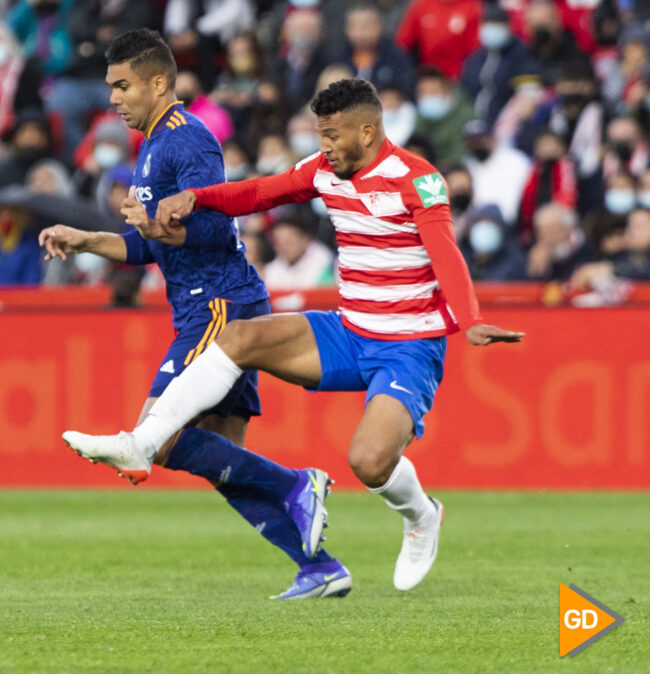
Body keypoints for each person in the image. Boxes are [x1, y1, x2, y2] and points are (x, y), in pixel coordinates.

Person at [63, 78, 524, 596]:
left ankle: (422, 516)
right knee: (240, 338)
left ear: (367, 131)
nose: (324, 145)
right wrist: (197, 197)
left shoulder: (416, 179)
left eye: (332, 134)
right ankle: (142, 442)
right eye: (320, 134)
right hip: (349, 331)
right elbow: (259, 192)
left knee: (369, 462)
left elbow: (445, 252)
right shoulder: (323, 170)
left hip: (407, 347)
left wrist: (470, 317)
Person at [40, 29, 340, 600]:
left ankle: (298, 483)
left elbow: (206, 224)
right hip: (207, 304)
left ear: (158, 83)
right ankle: (319, 566)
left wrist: (152, 225)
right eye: (110, 87)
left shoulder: (188, 140)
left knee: (164, 439)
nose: (113, 98)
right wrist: (85, 240)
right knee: (219, 456)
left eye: (122, 85)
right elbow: (145, 246)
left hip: (219, 305)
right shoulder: (152, 145)